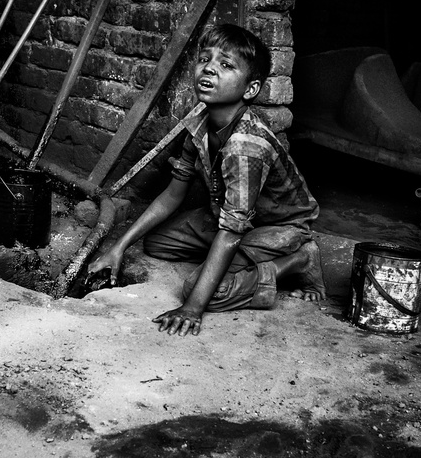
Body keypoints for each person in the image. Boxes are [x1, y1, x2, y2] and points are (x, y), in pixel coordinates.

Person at [87, 23, 325, 336]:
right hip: (230, 219)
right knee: (156, 243)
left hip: (278, 227)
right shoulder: (199, 121)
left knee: (198, 288)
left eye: (225, 65)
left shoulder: (247, 145)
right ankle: (234, 260)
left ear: (250, 89)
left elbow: (231, 231)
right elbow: (172, 195)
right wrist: (117, 248)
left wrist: (193, 307)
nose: (209, 69)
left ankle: (297, 260)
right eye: (204, 60)